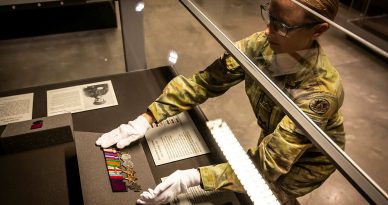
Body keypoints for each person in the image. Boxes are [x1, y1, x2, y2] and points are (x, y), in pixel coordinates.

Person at [95, 0, 345, 204]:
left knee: (270, 193)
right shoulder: (262, 45)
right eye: (270, 16)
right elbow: (206, 82)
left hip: (308, 161)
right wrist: (145, 119)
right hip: (273, 134)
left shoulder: (320, 93)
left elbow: (269, 164)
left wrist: (194, 178)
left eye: (282, 26)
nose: (268, 30)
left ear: (318, 30)